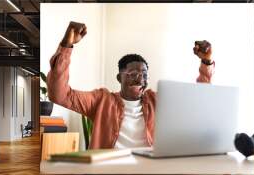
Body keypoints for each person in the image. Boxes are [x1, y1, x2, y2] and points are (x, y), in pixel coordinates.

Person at [47, 21, 215, 149]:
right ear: (119, 78)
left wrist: (206, 61)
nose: (139, 79)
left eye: (144, 75)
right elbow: (59, 94)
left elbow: (197, 99)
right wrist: (67, 45)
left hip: (150, 174)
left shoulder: (158, 100)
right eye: (133, 74)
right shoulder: (101, 100)